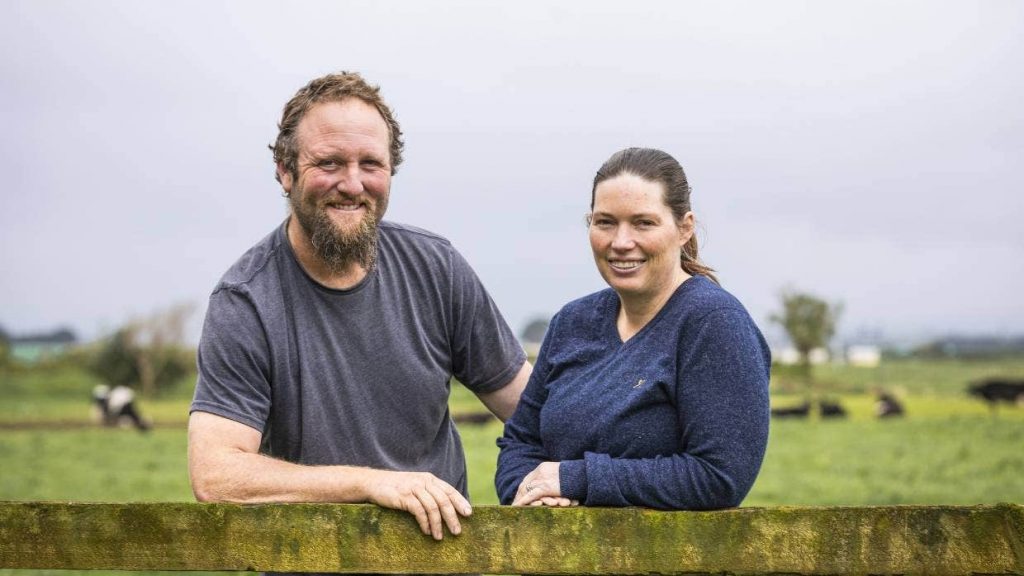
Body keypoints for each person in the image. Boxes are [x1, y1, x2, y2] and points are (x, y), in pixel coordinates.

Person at [188, 72, 531, 542]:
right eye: (329, 163)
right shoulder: (246, 301)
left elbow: (531, 410)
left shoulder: (436, 268)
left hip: (443, 561)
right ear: (285, 172)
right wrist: (370, 484)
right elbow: (216, 475)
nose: (353, 184)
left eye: (370, 163)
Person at [496, 147, 770, 510]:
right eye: (605, 222)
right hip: (561, 560)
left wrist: (576, 480)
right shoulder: (571, 323)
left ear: (684, 228)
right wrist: (530, 491)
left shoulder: (713, 322)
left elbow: (719, 476)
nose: (621, 242)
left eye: (643, 222)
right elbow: (519, 441)